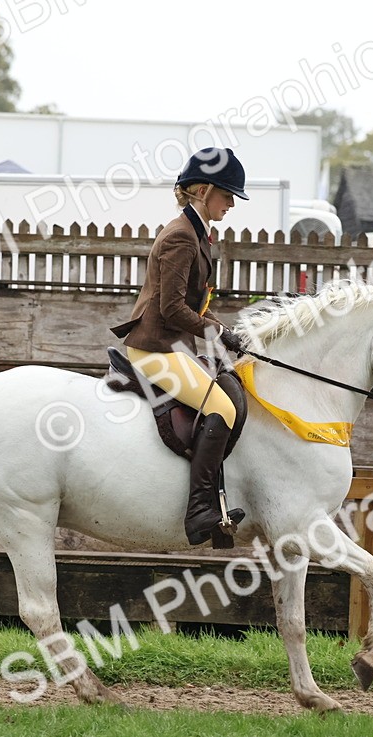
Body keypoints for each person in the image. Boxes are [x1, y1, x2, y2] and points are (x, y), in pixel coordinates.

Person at [110, 147, 248, 545]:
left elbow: (191, 306)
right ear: (202, 191)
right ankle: (199, 510)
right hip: (156, 347)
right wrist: (217, 333)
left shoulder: (196, 234)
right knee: (220, 406)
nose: (232, 204)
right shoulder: (181, 237)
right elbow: (171, 310)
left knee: (232, 391)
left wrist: (222, 329)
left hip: (175, 343)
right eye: (227, 195)